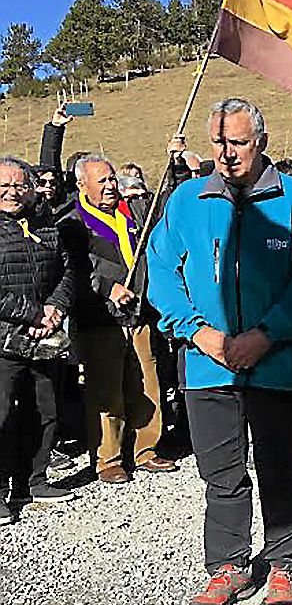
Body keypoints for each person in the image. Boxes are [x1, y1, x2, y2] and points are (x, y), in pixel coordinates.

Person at [147, 97, 292, 605]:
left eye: (239, 143)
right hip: (207, 363)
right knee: (221, 470)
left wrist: (266, 334)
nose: (227, 154)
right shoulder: (185, 200)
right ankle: (228, 563)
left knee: (276, 463)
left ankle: (285, 560)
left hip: (272, 360)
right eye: (219, 143)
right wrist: (198, 332)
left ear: (262, 143)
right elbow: (162, 273)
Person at [65, 153, 177, 484]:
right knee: (107, 389)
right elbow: (73, 269)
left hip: (138, 312)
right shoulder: (73, 223)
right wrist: (104, 287)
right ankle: (108, 457)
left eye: (112, 178)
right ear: (82, 184)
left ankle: (146, 449)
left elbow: (165, 209)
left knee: (148, 380)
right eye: (102, 181)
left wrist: (174, 165)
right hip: (101, 318)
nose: (111, 185)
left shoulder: (132, 214)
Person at [0, 157, 76, 522]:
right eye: (4, 185)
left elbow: (68, 271)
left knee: (45, 411)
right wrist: (31, 315)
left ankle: (33, 480)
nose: (11, 192)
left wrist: (55, 308)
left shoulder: (46, 226)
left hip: (44, 336)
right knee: (2, 415)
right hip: (5, 339)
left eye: (19, 185)